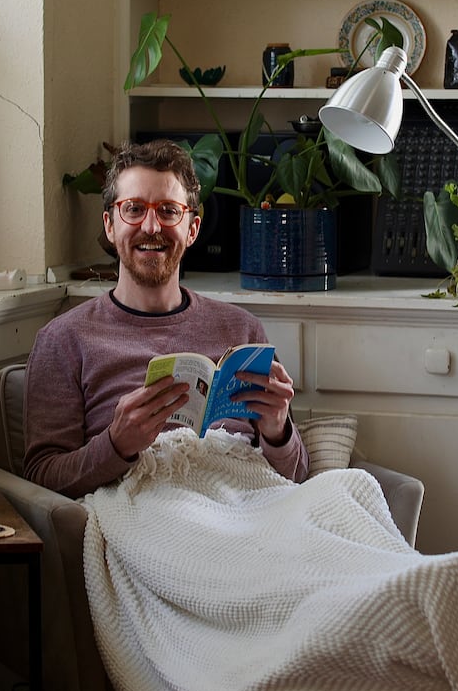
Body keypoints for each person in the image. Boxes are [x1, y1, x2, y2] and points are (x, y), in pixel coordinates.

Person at [23, 140, 307, 496]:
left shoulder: (243, 329)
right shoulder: (63, 339)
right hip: (149, 512)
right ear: (110, 226)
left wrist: (278, 430)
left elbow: (296, 476)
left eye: (169, 211)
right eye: (134, 209)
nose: (152, 227)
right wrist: (115, 444)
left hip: (248, 502)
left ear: (192, 229)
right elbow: (41, 478)